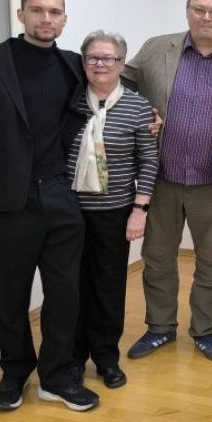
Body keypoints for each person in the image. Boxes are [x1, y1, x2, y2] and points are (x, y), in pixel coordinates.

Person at [0, 0, 99, 412]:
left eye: (54, 12)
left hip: (60, 196)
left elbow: (111, 90)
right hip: (5, 202)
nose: (46, 19)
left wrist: (151, 116)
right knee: (10, 296)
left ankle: (56, 376)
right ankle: (15, 372)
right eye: (37, 10)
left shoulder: (73, 65)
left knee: (65, 295)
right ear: (21, 15)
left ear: (65, 19)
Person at [123, 0, 212, 362]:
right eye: (199, 9)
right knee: (157, 259)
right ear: (187, 11)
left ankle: (205, 330)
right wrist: (140, 116)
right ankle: (159, 327)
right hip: (161, 179)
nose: (206, 17)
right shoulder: (156, 50)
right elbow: (122, 85)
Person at [65, 31, 159, 389]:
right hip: (70, 212)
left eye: (109, 58)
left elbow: (148, 160)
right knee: (72, 287)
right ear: (83, 62)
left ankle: (106, 358)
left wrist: (140, 209)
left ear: (122, 63)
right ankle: (74, 358)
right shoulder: (69, 103)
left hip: (115, 211)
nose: (100, 64)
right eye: (93, 57)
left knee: (108, 287)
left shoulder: (139, 107)